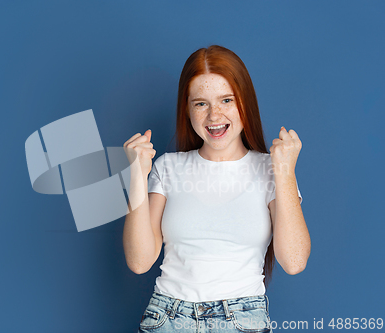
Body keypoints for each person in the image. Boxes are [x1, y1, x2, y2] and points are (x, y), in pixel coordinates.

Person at [123, 45, 311, 333]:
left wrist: (284, 172)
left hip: (243, 319)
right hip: (168, 317)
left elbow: (294, 261)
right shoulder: (168, 168)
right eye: (200, 103)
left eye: (226, 100)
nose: (214, 115)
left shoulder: (271, 169)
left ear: (245, 103)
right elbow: (139, 261)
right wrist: (137, 175)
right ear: (187, 109)